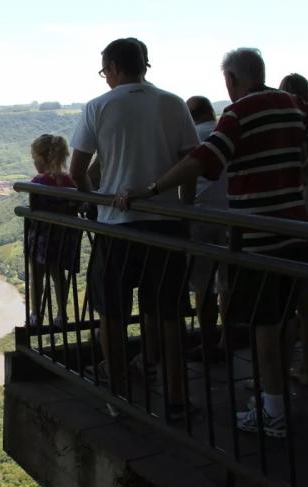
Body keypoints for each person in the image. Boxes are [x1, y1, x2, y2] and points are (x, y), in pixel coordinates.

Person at [140, 48, 308, 437]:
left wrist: (152, 188)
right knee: (284, 319)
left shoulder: (238, 113)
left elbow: (203, 160)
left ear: (233, 80)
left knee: (264, 327)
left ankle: (274, 415)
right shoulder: (291, 103)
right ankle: (274, 396)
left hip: (259, 235)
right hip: (297, 228)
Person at [69, 38, 199, 417]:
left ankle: (119, 399)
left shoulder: (98, 107)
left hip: (119, 227)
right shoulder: (174, 103)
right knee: (171, 314)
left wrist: (95, 202)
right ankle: (176, 400)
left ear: (112, 67)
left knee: (112, 313)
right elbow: (190, 163)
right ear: (145, 65)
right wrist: (186, 209)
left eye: (104, 71)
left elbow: (77, 171)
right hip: (167, 225)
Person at [278, 74, 308, 384]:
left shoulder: (286, 126)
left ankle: (282, 368)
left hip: (289, 215)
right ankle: (305, 362)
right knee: (304, 296)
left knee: (284, 300)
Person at [185, 95, 228, 364]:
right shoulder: (226, 134)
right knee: (227, 283)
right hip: (234, 215)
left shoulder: (192, 137)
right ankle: (227, 340)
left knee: (203, 286)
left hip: (200, 215)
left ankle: (208, 342)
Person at [25, 134, 82, 327]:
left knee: (37, 276)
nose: (34, 163)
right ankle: (61, 315)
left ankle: (35, 315)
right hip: (64, 237)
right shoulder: (70, 180)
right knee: (58, 275)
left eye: (35, 159)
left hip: (41, 237)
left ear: (42, 159)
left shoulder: (38, 181)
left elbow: (33, 207)